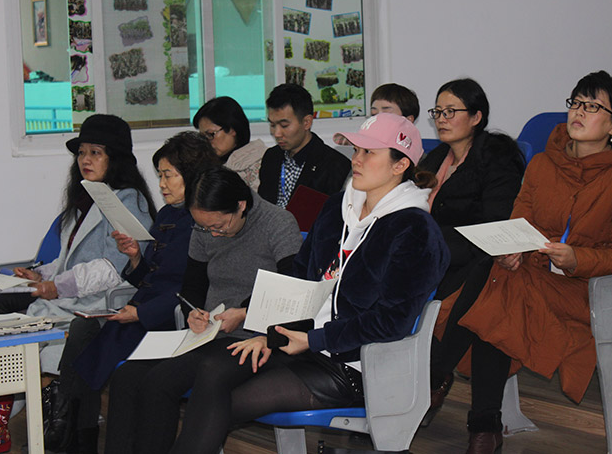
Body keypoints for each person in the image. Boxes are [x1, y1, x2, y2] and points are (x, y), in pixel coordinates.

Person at [108, 113, 450, 454]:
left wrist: (311, 339)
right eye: (357, 150)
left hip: (354, 363)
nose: (356, 160)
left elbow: (392, 321)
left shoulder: (414, 230)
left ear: (400, 165)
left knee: (218, 398)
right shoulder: (338, 208)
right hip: (305, 345)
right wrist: (267, 333)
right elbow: (298, 280)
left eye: (369, 153)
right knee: (214, 372)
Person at [429, 71, 612, 453]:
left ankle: (435, 379)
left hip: (580, 289)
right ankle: (483, 427)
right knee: (497, 288)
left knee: (494, 292)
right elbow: (519, 224)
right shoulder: (544, 164)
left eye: (593, 107)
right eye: (576, 102)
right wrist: (513, 251)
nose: (579, 112)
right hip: (528, 277)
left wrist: (578, 257)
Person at [0, 114, 156, 454]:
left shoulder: (128, 202)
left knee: (17, 319)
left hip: (100, 301)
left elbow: (111, 269)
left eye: (95, 152)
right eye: (82, 152)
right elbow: (66, 260)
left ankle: (7, 412)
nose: (85, 160)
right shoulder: (84, 199)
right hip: (68, 297)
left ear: (116, 159)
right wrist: (40, 275)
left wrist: (54, 287)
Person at [42, 132, 221, 453]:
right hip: (144, 310)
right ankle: (74, 431)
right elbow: (149, 277)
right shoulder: (166, 214)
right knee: (86, 335)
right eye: (160, 175)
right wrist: (135, 256)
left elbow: (192, 289)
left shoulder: (204, 220)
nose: (161, 184)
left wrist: (140, 313)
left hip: (168, 318)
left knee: (106, 356)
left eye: (168, 175)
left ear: (192, 175)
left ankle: (72, 431)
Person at [104, 166, 304, 453]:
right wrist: (193, 311)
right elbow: (193, 283)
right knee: (127, 376)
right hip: (211, 333)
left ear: (241, 206)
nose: (213, 234)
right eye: (205, 227)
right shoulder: (203, 226)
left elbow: (292, 289)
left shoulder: (277, 223)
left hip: (254, 336)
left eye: (219, 226)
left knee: (164, 382)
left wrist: (244, 313)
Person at [417, 78, 525, 300]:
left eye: (450, 112)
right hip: (432, 249)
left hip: (470, 257)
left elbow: (496, 221)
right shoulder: (437, 157)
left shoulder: (497, 156)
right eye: (437, 112)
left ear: (476, 117)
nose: (441, 119)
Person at [258, 83, 350, 208]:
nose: (277, 133)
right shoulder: (271, 157)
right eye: (273, 125)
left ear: (307, 122)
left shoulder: (335, 165)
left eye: (284, 125)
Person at [193, 96, 266, 190]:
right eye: (203, 137)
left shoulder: (260, 163)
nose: (206, 142)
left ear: (232, 130)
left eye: (211, 134)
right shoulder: (209, 165)